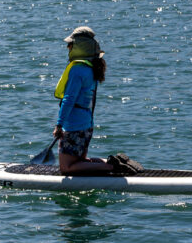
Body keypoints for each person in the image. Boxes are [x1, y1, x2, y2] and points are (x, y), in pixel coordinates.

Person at [52, 25, 139, 175]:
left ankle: (112, 167)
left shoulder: (77, 69)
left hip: (74, 126)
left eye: (70, 44)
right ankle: (114, 161)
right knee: (80, 162)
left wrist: (59, 125)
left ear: (79, 47)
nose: (68, 47)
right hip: (87, 124)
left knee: (66, 168)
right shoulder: (92, 67)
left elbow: (69, 99)